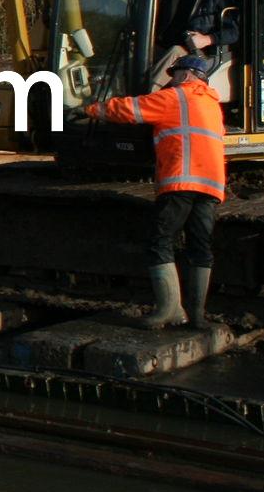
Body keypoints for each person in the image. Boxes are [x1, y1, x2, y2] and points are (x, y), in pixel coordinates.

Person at [81, 54, 226, 329]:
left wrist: (91, 109)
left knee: (160, 241)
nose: (171, 80)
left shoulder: (175, 97)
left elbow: (130, 109)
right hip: (210, 185)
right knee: (200, 246)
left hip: (181, 181)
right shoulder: (211, 103)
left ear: (186, 75)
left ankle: (168, 310)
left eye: (175, 74)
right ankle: (196, 316)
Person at [149, 0, 232, 88]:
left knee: (175, 51)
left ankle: (146, 96)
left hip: (196, 53)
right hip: (164, 44)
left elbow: (234, 32)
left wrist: (208, 39)